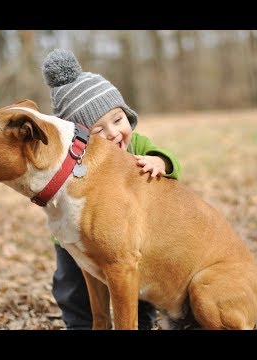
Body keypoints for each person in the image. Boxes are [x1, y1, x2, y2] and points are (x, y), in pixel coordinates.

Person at [41, 49, 182, 330]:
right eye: (97, 130)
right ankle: (81, 325)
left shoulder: (137, 147)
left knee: (133, 283)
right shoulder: (74, 163)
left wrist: (159, 161)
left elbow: (172, 164)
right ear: (80, 139)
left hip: (131, 238)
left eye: (118, 120)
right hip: (76, 238)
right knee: (72, 287)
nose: (114, 133)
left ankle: (140, 322)